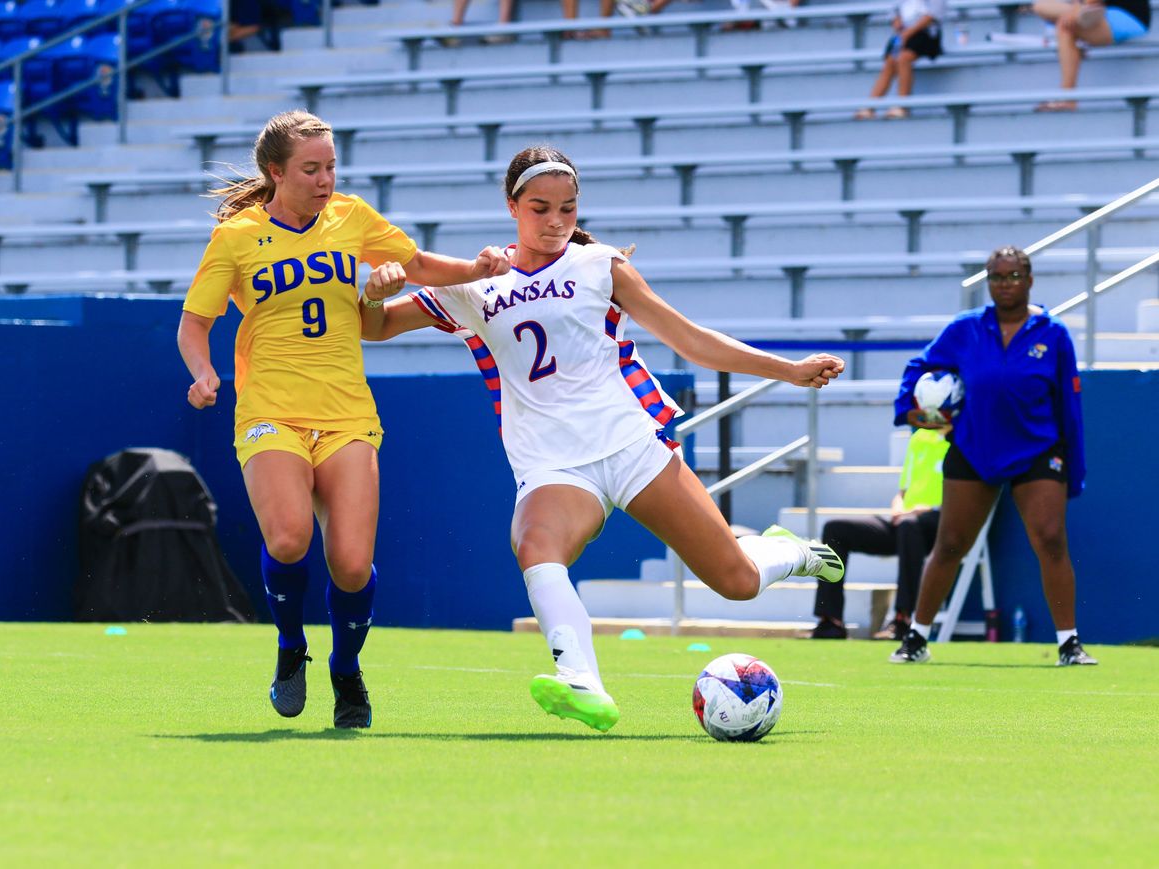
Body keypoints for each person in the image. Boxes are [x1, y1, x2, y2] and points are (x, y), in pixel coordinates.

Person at [360, 145, 848, 733]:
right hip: (552, 464)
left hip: (630, 446)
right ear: (511, 205)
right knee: (535, 544)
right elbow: (375, 326)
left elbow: (689, 340)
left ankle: (792, 551)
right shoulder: (474, 282)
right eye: (540, 207)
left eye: (567, 208)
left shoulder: (599, 265)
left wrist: (788, 370)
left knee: (737, 582)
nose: (556, 220)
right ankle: (583, 685)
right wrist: (374, 289)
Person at [177, 110, 510, 728]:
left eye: (331, 166)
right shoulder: (237, 237)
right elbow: (194, 324)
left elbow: (416, 267)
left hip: (347, 412)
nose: (325, 178)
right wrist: (202, 374)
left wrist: (476, 269)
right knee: (288, 538)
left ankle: (346, 668)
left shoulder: (352, 219)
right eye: (311, 168)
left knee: (352, 564)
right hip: (269, 410)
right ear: (276, 172)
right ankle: (288, 648)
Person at [889, 246, 1096, 667]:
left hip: (1037, 449)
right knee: (949, 544)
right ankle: (916, 637)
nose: (1006, 284)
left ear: (1030, 279)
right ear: (988, 281)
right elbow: (920, 366)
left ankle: (1069, 643)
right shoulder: (966, 328)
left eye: (1014, 276)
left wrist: (1073, 470)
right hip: (974, 446)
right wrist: (909, 410)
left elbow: (1069, 407)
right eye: (997, 277)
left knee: (1052, 539)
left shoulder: (1052, 333)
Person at [810, 426, 948, 640]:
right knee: (835, 529)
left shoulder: (961, 441)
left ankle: (903, 620)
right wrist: (898, 508)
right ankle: (831, 621)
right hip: (905, 522)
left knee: (908, 526)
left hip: (940, 525)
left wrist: (917, 511)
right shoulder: (919, 437)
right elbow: (903, 491)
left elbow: (959, 497)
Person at [1032, 0, 1151, 111]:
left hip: (1128, 15)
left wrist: (1079, 8)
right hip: (1097, 12)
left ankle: (1068, 98)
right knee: (1041, 6)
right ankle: (1080, 15)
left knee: (1065, 26)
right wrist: (1077, 9)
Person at [854, 0, 946, 120]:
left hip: (925, 34)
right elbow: (894, 11)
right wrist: (898, 25)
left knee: (904, 59)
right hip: (903, 34)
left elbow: (933, 14)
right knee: (890, 61)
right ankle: (871, 107)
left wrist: (909, 32)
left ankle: (902, 105)